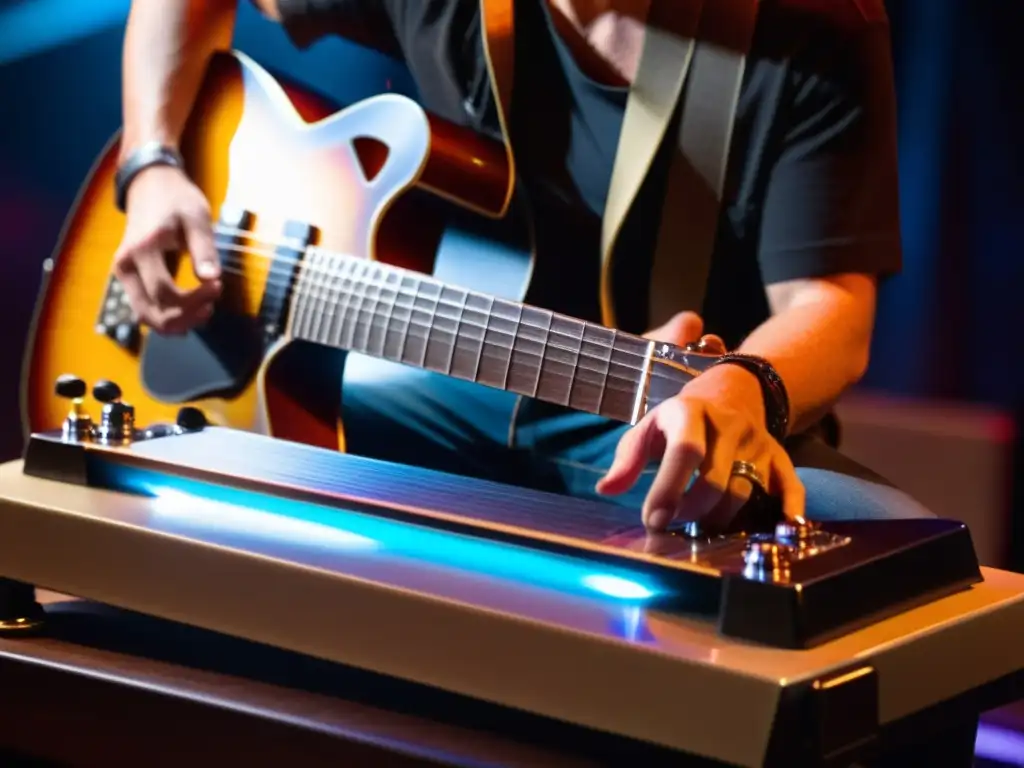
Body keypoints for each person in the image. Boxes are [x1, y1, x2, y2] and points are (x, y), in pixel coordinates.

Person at [112, 0, 934, 532]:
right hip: (431, 397)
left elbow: (831, 308)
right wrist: (150, 167)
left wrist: (745, 382)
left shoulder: (816, 25)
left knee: (885, 544)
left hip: (668, 426)